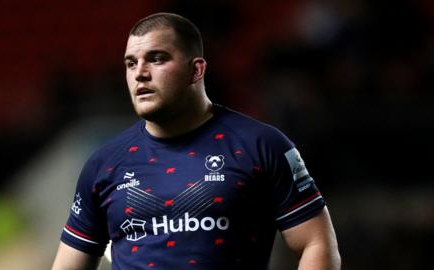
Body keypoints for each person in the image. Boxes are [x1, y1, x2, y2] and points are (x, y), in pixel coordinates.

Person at [52, 12, 341, 270]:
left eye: (156, 58)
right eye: (131, 63)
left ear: (197, 70)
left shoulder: (261, 145)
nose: (140, 72)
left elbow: (316, 243)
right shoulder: (104, 164)